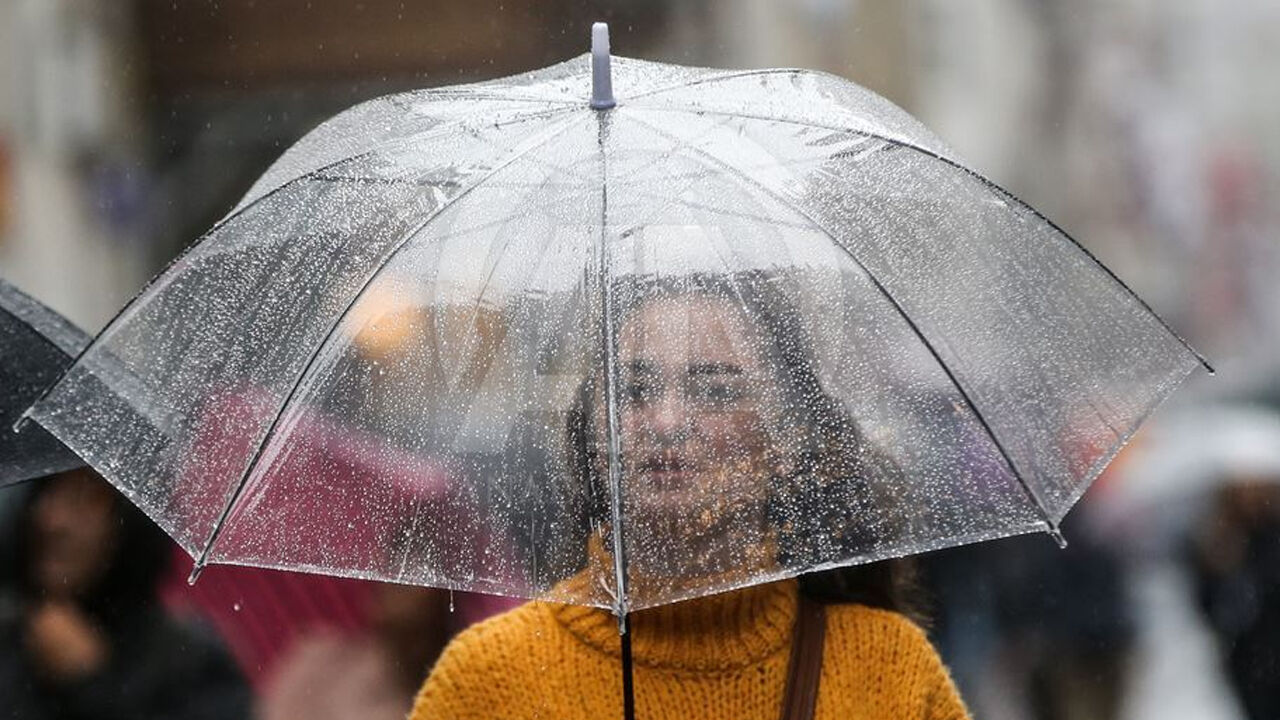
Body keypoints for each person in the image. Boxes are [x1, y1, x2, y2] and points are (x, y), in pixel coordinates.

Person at [409, 270, 970, 720]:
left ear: (786, 436)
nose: (668, 421)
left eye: (717, 391)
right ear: (592, 429)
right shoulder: (490, 679)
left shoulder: (888, 671)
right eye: (633, 390)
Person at [0, 467, 251, 720]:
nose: (53, 520)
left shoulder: (191, 664)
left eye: (88, 499)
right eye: (47, 492)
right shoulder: (9, 632)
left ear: (132, 519)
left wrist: (94, 687)